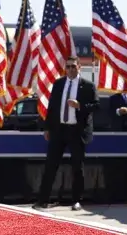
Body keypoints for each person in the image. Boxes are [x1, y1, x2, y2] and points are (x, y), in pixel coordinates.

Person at [36, 54, 98, 210]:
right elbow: (52, 108)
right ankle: (43, 199)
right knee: (51, 165)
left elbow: (96, 106)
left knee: (77, 167)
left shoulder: (88, 86)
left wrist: (80, 106)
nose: (70, 69)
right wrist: (47, 127)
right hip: (59, 130)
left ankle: (76, 200)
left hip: (76, 131)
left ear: (79, 67)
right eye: (68, 66)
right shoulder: (58, 84)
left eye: (73, 66)